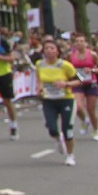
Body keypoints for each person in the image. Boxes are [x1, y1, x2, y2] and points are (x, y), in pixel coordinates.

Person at [35, 37, 79, 166]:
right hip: (49, 100)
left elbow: (79, 80)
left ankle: (70, 155)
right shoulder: (40, 64)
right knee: (52, 129)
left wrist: (66, 84)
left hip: (66, 100)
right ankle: (59, 139)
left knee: (68, 130)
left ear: (57, 51)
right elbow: (39, 79)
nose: (49, 51)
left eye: (52, 48)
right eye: (46, 48)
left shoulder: (65, 65)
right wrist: (40, 87)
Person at [68, 34, 98, 140]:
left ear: (86, 43)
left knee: (91, 110)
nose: (79, 43)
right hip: (78, 83)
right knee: (78, 107)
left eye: (81, 41)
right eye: (77, 41)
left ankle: (96, 130)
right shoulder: (71, 55)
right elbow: (67, 68)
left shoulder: (92, 55)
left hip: (91, 83)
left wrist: (92, 70)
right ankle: (84, 120)